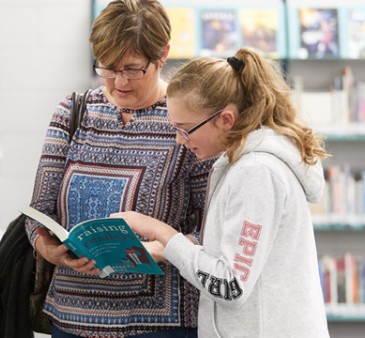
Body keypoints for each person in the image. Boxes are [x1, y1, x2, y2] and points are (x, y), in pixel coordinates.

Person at [24, 0, 214, 337]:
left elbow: (213, 230)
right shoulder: (73, 112)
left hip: (159, 324)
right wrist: (51, 251)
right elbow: (38, 213)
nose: (118, 81)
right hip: (70, 319)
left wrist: (164, 249)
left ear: (163, 54)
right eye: (108, 68)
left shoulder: (188, 123)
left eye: (132, 68)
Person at [112, 48, 331, 338]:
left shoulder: (256, 173)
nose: (180, 140)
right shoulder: (240, 163)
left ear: (226, 119)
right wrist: (170, 250)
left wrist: (160, 231)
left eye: (186, 129)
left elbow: (231, 286)